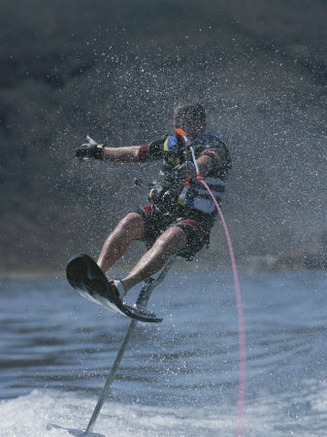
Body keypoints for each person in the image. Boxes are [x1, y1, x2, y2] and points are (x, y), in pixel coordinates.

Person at [76, 100, 231, 302]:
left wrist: (193, 168)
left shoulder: (215, 146)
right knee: (130, 221)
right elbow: (134, 153)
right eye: (176, 124)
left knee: (170, 236)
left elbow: (208, 160)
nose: (178, 129)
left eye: (183, 124)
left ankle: (123, 287)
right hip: (163, 212)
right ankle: (96, 276)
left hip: (194, 223)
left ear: (200, 123)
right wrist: (99, 151)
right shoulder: (171, 142)